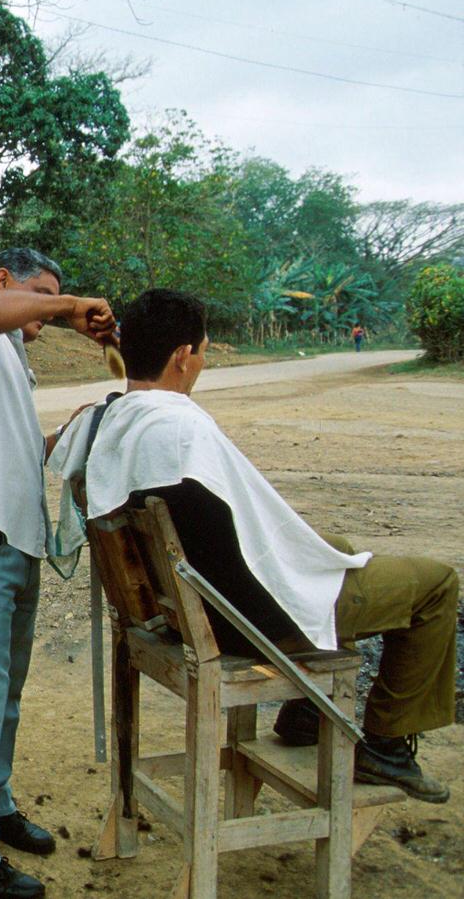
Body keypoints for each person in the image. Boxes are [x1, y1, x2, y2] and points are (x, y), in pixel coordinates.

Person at [82, 288, 457, 803]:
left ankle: (304, 715)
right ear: (183, 357)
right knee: (437, 583)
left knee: (335, 545)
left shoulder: (114, 418)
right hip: (243, 621)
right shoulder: (182, 428)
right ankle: (386, 747)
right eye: (204, 351)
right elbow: (236, 553)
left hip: (180, 608)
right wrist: (305, 597)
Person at [0, 248, 116, 899]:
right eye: (39, 295)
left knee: (3, 695)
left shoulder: (10, 360)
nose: (47, 311)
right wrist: (67, 307)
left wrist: (71, 434)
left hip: (14, 541)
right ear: (6, 283)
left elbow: (15, 448)